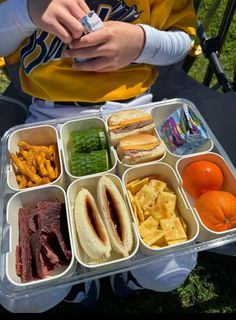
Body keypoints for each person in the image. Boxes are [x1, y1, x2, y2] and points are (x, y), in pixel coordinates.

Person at [0, 0, 198, 313]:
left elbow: (183, 40)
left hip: (133, 115)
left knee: (170, 270)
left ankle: (127, 277)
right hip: (48, 117)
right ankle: (77, 280)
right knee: (22, 296)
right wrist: (27, 11)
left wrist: (141, 43)